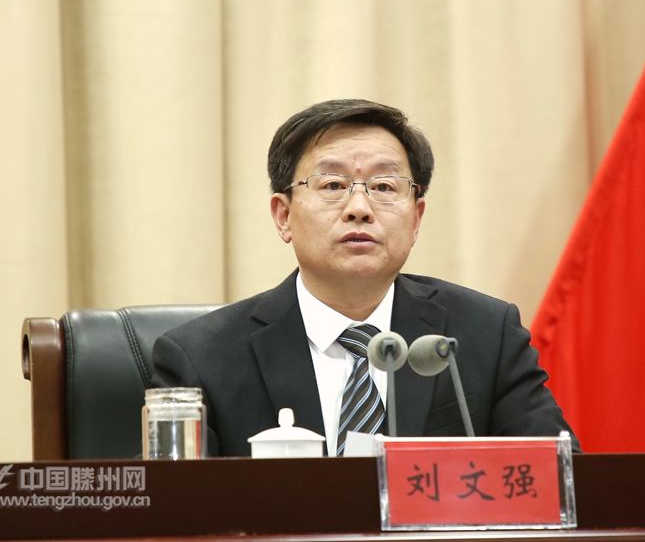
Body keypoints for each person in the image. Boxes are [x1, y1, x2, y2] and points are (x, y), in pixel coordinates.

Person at [152, 98, 579, 456]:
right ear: (283, 216)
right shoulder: (201, 359)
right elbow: (170, 508)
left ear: (416, 219)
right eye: (333, 185)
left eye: (385, 187)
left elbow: (561, 483)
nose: (359, 208)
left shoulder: (485, 335)